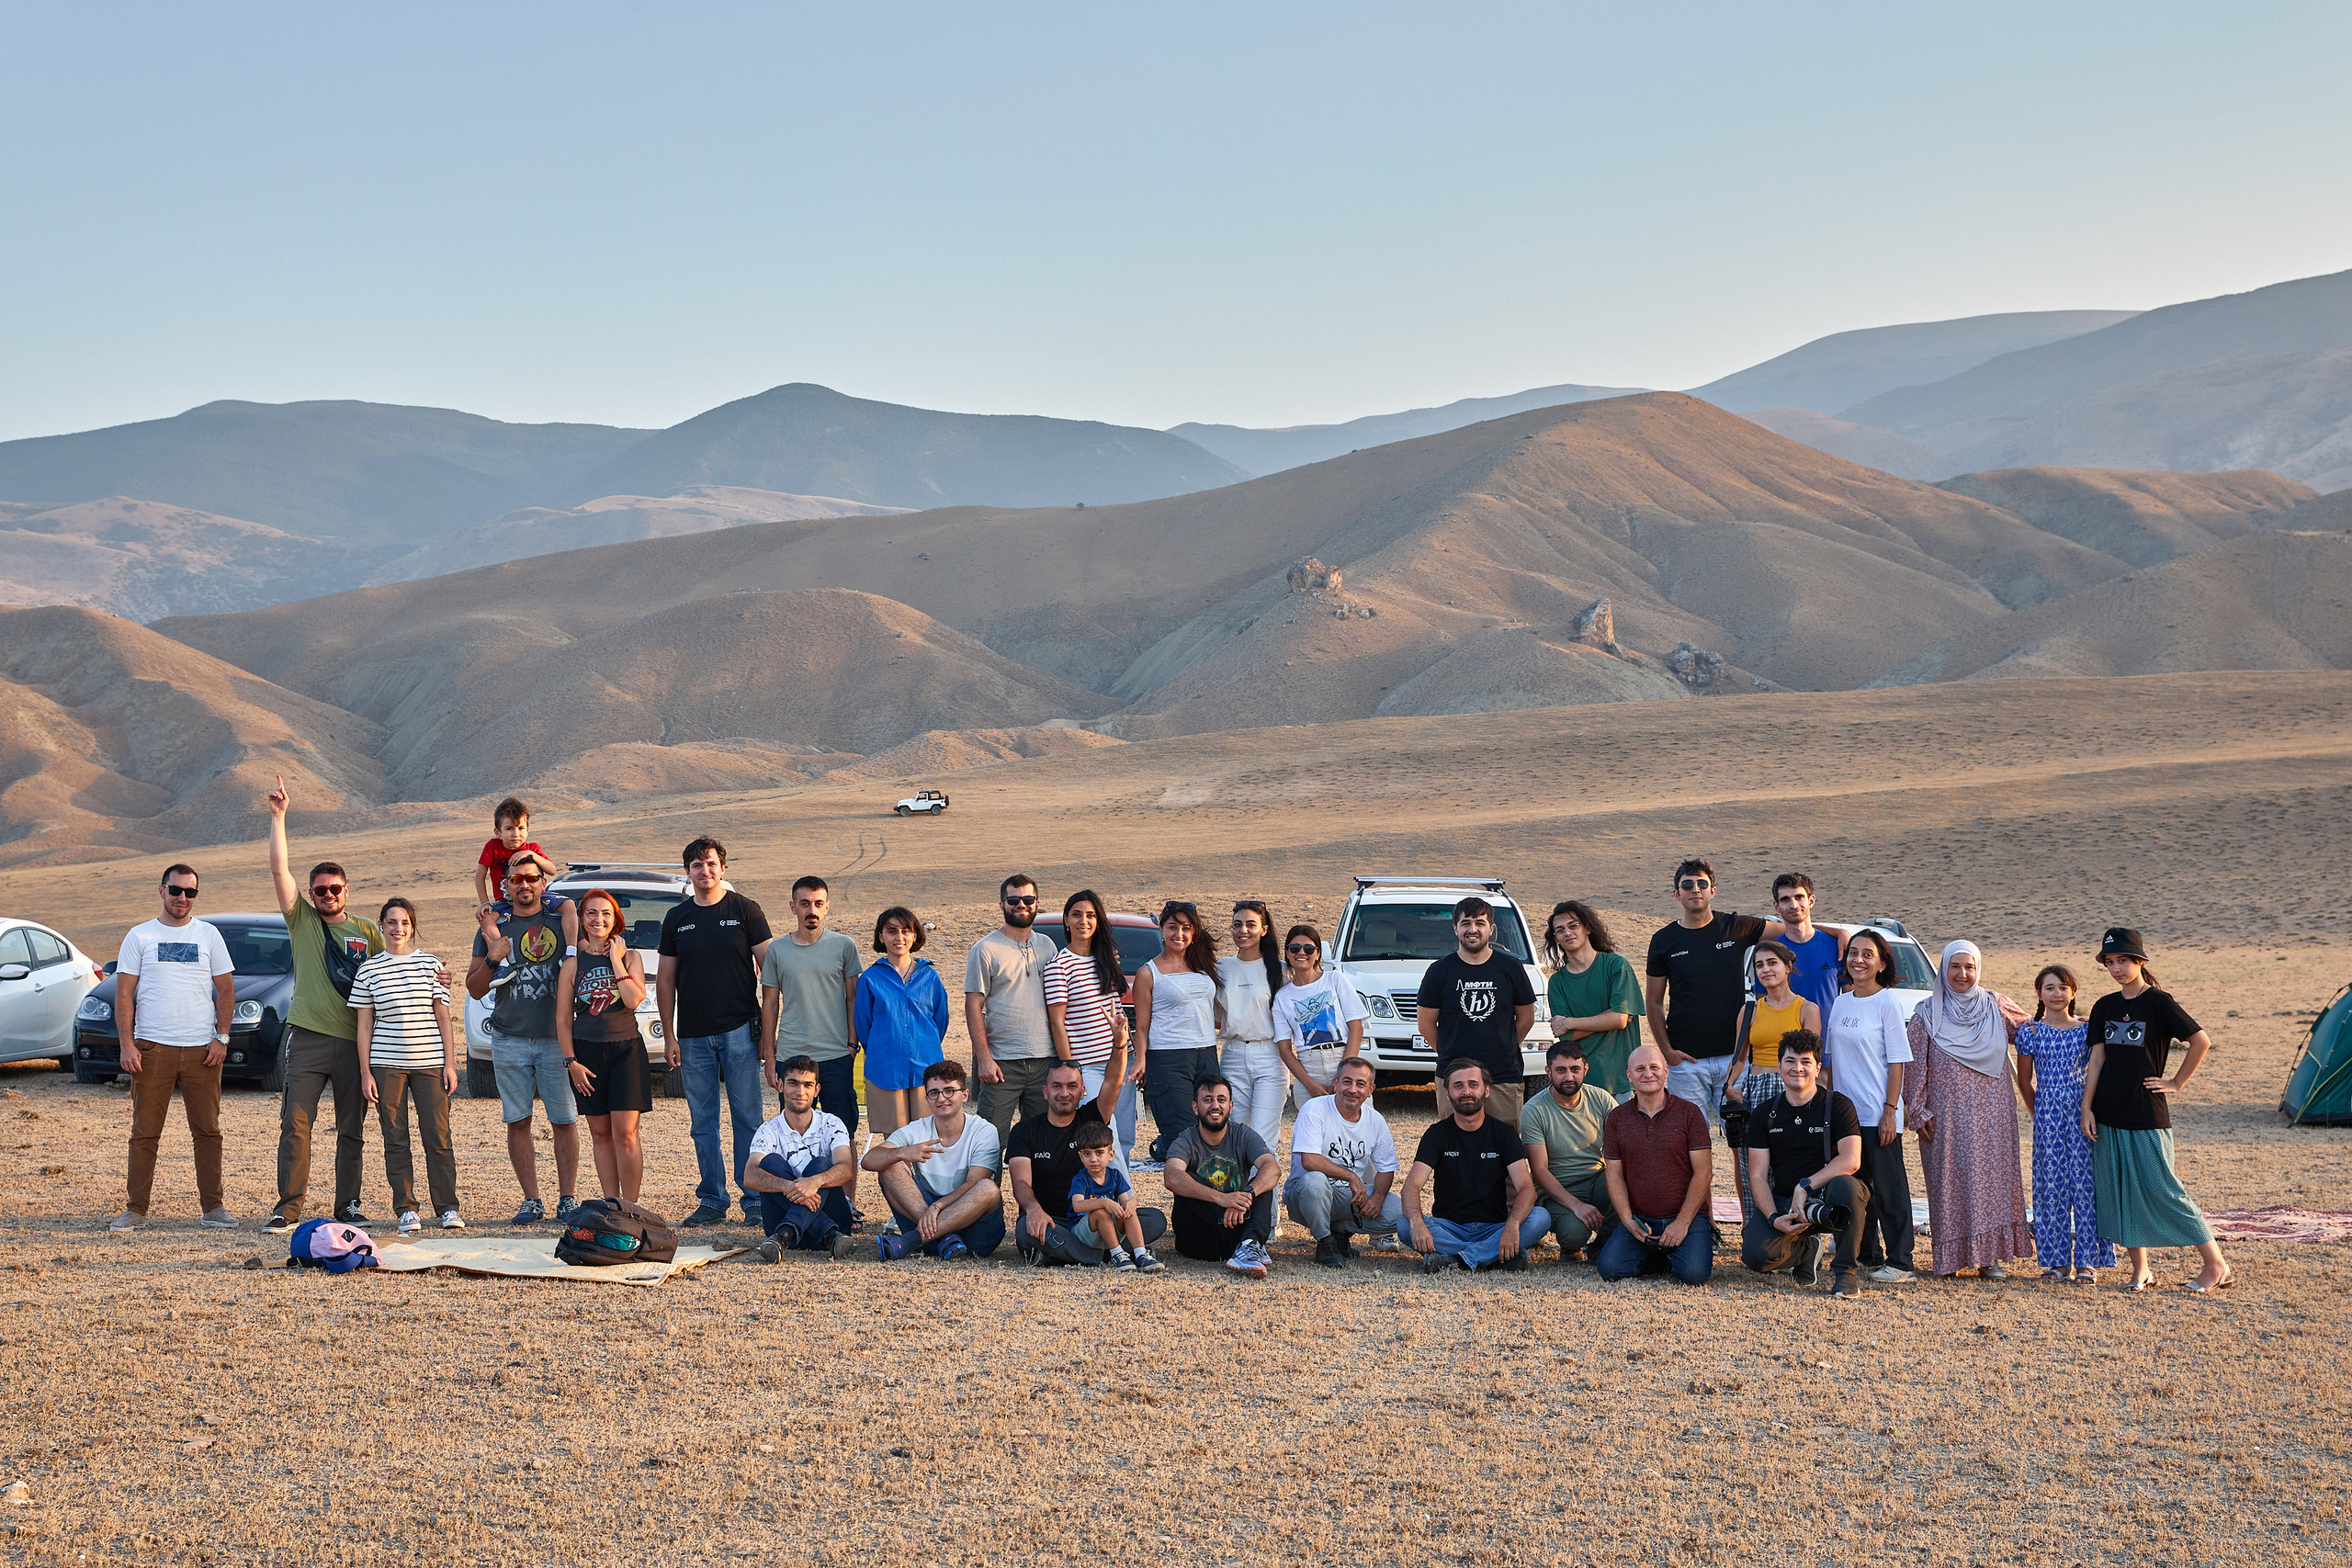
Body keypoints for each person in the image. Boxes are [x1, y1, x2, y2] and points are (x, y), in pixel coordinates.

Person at [262, 775, 387, 1235]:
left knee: (351, 1126)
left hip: (356, 1042)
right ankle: (287, 1208)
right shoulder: (302, 921)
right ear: (311, 894)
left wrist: (435, 978)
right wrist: (278, 818)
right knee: (296, 1124)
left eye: (335, 888)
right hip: (309, 1037)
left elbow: (391, 975)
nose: (328, 895)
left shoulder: (367, 931)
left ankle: (348, 1204)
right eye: (320, 890)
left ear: (347, 890)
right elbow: (279, 871)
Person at [2079, 929, 2232, 1293]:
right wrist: (2086, 1107)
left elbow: (2201, 1041)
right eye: (2110, 962)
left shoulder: (2159, 1003)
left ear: (2140, 962)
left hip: (2147, 1112)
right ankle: (2141, 1270)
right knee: (2121, 1191)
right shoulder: (2104, 1006)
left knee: (2164, 1189)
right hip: (2107, 1112)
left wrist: (2175, 1083)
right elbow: (2097, 1059)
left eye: (2123, 961)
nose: (2116, 969)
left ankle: (2216, 1265)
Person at [108, 863, 237, 1232]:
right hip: (153, 1048)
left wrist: (222, 1037)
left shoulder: (209, 935)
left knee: (208, 1132)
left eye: (190, 892)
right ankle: (136, 1209)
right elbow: (124, 993)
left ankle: (213, 1208)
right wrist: (127, 1044)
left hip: (203, 1050)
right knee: (145, 1132)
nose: (183, 898)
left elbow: (225, 990)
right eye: (176, 890)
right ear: (161, 890)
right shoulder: (140, 936)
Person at [657, 836, 774, 1228]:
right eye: (696, 865)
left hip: (740, 1029)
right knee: (702, 1120)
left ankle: (754, 1198)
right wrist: (670, 1036)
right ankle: (712, 1199)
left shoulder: (745, 910)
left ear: (723, 868)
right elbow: (666, 980)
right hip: (691, 1035)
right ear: (687, 872)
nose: (704, 871)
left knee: (748, 1117)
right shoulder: (676, 918)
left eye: (710, 864)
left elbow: (771, 971)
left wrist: (767, 1031)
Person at [1905, 940, 2033, 1280]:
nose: (1963, 974)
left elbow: (2034, 1034)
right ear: (1944, 969)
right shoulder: (1926, 1013)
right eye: (1955, 967)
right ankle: (1950, 1259)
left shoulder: (1996, 1005)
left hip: (1994, 1114)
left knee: (1993, 1182)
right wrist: (1917, 1111)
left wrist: (2076, 1027)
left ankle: (1989, 1258)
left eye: (1970, 967)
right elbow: (1914, 1066)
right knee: (1950, 1182)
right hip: (1946, 1114)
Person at [468, 849, 579, 1225]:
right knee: (518, 1120)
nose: (526, 884)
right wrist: (493, 958)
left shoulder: (560, 920)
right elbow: (475, 989)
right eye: (517, 880)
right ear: (507, 886)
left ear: (543, 883)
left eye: (532, 878)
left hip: (554, 1038)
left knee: (564, 1120)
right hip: (509, 1036)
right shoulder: (494, 926)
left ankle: (567, 1199)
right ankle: (531, 1200)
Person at [354, 897, 462, 1233]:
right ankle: (406, 1209)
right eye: (391, 922)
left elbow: (443, 1017)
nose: (398, 929)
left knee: (438, 1135)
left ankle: (447, 1208)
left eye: (404, 922)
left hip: (430, 1062)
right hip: (386, 1064)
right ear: (381, 926)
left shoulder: (431, 965)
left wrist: (450, 1063)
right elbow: (364, 1025)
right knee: (395, 1137)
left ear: (412, 927)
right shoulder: (368, 970)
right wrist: (365, 1072)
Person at [758, 875, 863, 1216]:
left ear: (827, 906)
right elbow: (770, 1004)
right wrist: (770, 1054)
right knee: (795, 1132)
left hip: (835, 1054)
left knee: (841, 1133)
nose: (811, 910)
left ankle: (846, 1205)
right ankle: (798, 1201)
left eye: (818, 903)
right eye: (804, 903)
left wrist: (851, 1041)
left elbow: (853, 997)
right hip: (792, 1054)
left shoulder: (844, 946)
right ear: (793, 907)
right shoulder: (778, 950)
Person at [1741, 1031, 1871, 1298]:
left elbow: (1851, 1159)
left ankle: (1846, 1272)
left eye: (1805, 1061)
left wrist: (1806, 1185)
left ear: (1818, 1067)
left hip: (1828, 1199)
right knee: (1756, 1256)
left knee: (1848, 1186)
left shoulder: (1839, 1105)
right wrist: (1774, 1218)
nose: (1797, 1068)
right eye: (1790, 1061)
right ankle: (1806, 1250)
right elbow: (1757, 1176)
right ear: (1779, 1066)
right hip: (1785, 1202)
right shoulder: (1764, 1113)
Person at [1009, 1051, 1167, 1266]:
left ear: (1083, 1091)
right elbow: (1020, 1182)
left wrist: (1120, 1042)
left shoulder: (1092, 1117)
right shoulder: (1024, 1131)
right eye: (1057, 1086)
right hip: (1055, 1221)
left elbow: (1113, 1082)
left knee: (1155, 1220)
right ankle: (1113, 1253)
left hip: (1100, 1219)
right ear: (1045, 1092)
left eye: (1072, 1086)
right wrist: (1034, 1210)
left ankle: (1066, 1255)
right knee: (1025, 1229)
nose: (1064, 1093)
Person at [1821, 930, 1917, 1284]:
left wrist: (1891, 1109)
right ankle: (1867, 1254)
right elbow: (1833, 1062)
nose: (1858, 960)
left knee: (1889, 1189)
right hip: (1845, 1115)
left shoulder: (1888, 1003)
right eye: (1853, 953)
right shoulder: (1842, 1002)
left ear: (1881, 963)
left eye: (1868, 954)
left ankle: (1902, 1261)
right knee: (1857, 1189)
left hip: (1878, 1113)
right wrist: (1830, 1107)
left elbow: (1897, 1062)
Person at [1643, 860, 1767, 1127]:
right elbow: (1653, 1002)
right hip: (1686, 1063)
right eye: (1687, 885)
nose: (1695, 889)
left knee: (1742, 1139)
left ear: (1713, 891)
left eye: (1702, 884)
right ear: (1677, 894)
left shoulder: (1736, 927)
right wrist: (1668, 1052)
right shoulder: (1664, 940)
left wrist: (1837, 933)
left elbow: (1795, 929)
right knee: (1691, 1142)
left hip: (1735, 1060)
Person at [1402, 1058, 1549, 1274]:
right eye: (1458, 1086)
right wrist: (1416, 1222)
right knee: (1404, 1225)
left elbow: (1527, 1189)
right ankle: (1493, 1257)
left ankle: (1456, 1260)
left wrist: (1512, 1224)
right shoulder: (1437, 1134)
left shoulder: (1504, 1133)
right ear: (1448, 1092)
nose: (1466, 1092)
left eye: (1473, 1084)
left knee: (1540, 1218)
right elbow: (1411, 1187)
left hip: (1494, 1228)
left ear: (1486, 1090)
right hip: (1448, 1228)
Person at [2015, 964, 2111, 1284]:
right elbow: (2025, 1081)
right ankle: (2056, 1261)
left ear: (2073, 991)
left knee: (2086, 1186)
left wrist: (2090, 1109)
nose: (2057, 994)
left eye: (2063, 987)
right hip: (2047, 1117)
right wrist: (2038, 1112)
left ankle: (2087, 1260)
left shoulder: (2087, 1030)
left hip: (2084, 1114)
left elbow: (2097, 1071)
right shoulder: (2029, 1033)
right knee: (2050, 1187)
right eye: (2050, 988)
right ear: (2039, 993)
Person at [555, 889, 650, 1205]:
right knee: (600, 1134)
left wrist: (614, 959)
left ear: (615, 919)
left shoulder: (632, 957)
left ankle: (630, 1207)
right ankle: (611, 1203)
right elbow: (563, 1020)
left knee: (625, 1133)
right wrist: (571, 1062)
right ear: (582, 919)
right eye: (592, 913)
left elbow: (634, 1000)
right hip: (587, 1054)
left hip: (626, 1050)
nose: (599, 919)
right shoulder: (572, 964)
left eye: (606, 913)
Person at [860, 1059, 1005, 1259]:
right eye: (934, 1093)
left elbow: (974, 1184)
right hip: (929, 1228)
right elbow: (868, 1161)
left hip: (974, 1233)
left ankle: (911, 1240)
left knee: (987, 1188)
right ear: (927, 1098)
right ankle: (942, 1238)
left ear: (965, 1095)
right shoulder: (918, 1128)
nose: (941, 1098)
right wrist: (902, 1153)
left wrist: (937, 1207)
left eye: (949, 1091)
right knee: (889, 1166)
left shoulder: (983, 1130)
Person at [1596, 1044, 1714, 1285]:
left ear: (1666, 1071)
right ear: (1629, 1075)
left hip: (1686, 1218)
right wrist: (1628, 1220)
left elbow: (1704, 1172)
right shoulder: (1617, 1118)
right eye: (1639, 1069)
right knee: (1610, 1269)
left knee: (1693, 1275)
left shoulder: (1689, 1113)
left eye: (1654, 1067)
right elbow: (1615, 1176)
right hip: (1641, 1219)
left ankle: (1677, 1250)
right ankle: (1660, 1255)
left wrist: (1682, 1223)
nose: (1647, 1074)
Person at [1415, 897, 1536, 1128]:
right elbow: (1426, 1024)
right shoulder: (1439, 971)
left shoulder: (1511, 968)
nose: (1473, 929)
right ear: (1455, 928)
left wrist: (1505, 1045)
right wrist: (1450, 1051)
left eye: (1480, 923)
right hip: (1454, 1077)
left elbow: (1526, 1017)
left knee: (1504, 1147)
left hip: (1503, 1076)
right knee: (1455, 1146)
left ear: (1491, 929)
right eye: (1466, 923)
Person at [965, 874, 1062, 1145]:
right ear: (1002, 905)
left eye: (1028, 899)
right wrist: (984, 1059)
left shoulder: (1048, 946)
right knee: (989, 1145)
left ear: (1037, 903)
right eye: (1013, 900)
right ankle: (987, 1191)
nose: (1021, 904)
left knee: (1043, 1145)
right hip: (1001, 1066)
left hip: (1045, 1062)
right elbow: (973, 1006)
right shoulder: (985, 949)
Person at [1284, 1056, 1402, 1267]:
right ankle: (1325, 1241)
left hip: (1346, 1197)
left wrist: (1378, 1197)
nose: (1352, 1089)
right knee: (1315, 1181)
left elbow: (1386, 1169)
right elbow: (1309, 1161)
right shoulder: (1314, 1108)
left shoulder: (1375, 1119)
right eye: (1347, 1082)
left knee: (1400, 1213)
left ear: (1371, 1089)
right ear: (1336, 1082)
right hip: (1304, 1195)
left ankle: (1340, 1230)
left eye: (1360, 1084)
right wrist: (1351, 1176)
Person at [746, 1055, 860, 1262]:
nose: (800, 1092)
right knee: (770, 1162)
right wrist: (790, 1187)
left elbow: (846, 1168)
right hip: (801, 1226)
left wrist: (814, 1182)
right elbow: (750, 1175)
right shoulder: (768, 1130)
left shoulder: (831, 1123)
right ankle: (828, 1235)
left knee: (822, 1165)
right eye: (793, 1083)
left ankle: (784, 1235)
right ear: (780, 1086)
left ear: (817, 1090)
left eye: (808, 1085)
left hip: (832, 1218)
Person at [1163, 1074, 1280, 1276]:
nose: (1215, 1105)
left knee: (1261, 1184)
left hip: (1236, 1228)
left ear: (1231, 1106)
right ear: (1195, 1107)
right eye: (1207, 1100)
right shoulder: (1186, 1140)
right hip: (1199, 1237)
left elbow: (1272, 1168)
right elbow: (1171, 1176)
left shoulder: (1243, 1134)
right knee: (1187, 1176)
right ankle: (1246, 1248)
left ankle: (1249, 1246)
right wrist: (1223, 1199)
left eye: (1221, 1100)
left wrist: (1246, 1196)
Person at [1135, 901, 1220, 1168]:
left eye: (1185, 928)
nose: (1178, 934)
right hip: (1168, 1060)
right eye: (1172, 927)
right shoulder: (1149, 973)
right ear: (1161, 930)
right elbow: (1141, 1026)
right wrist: (1140, 1060)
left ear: (1194, 932)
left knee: (1213, 1130)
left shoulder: (1204, 967)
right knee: (1183, 1138)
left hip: (1207, 1055)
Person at [854, 906, 951, 1140]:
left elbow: (940, 1019)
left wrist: (922, 1044)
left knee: (927, 1137)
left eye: (906, 931)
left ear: (915, 935)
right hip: (886, 1070)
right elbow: (863, 1024)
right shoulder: (870, 978)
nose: (899, 937)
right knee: (895, 1142)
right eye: (892, 931)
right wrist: (885, 1048)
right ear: (881, 936)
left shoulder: (930, 976)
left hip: (926, 1067)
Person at [1518, 1039, 1617, 1260]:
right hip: (1559, 1186)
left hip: (1596, 1178)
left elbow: (1622, 1150)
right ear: (1548, 1071)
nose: (1569, 1077)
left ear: (1585, 1070)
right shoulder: (1534, 1110)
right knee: (1574, 1235)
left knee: (1631, 1184)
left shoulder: (1602, 1099)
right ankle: (1573, 1241)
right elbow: (1540, 1170)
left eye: (1575, 1069)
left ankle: (1602, 1244)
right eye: (1561, 1070)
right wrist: (1578, 1206)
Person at [1542, 901, 1644, 1099]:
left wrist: (1570, 1022)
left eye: (1573, 926)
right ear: (1556, 939)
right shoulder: (1557, 982)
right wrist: (1609, 1015)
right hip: (1583, 1085)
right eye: (1560, 930)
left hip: (1622, 1081)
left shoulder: (1616, 966)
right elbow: (1566, 1036)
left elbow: (1620, 1020)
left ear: (1587, 928)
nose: (1568, 933)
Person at [1041, 889, 1128, 1111]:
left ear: (1098, 921)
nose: (1084, 921)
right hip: (1088, 1067)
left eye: (1090, 915)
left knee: (1125, 1138)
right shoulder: (1058, 966)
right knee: (1103, 1133)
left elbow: (1118, 1011)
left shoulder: (1106, 960)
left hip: (1121, 1059)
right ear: (1066, 920)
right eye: (1077, 915)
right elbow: (1057, 1023)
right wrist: (1071, 1070)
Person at [1270, 922, 1365, 1111]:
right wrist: (1309, 1084)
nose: (1301, 953)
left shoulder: (1335, 979)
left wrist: (1344, 1075)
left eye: (1309, 948)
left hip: (1343, 1057)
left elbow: (1356, 1028)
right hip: (1309, 1065)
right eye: (1295, 948)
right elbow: (1285, 1050)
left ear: (1318, 954)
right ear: (1287, 954)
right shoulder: (1282, 997)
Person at [471, 795, 577, 963]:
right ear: (498, 832)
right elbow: (479, 876)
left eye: (521, 828)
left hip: (536, 898)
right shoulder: (492, 847)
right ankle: (504, 962)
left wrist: (532, 855)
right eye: (509, 829)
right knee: (486, 918)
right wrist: (485, 903)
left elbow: (551, 869)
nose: (516, 834)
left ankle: (571, 952)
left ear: (527, 830)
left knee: (569, 905)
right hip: (504, 900)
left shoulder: (532, 848)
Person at [1219, 901, 1288, 1152]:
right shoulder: (1221, 968)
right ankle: (1237, 1192)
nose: (1243, 931)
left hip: (1270, 1056)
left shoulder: (1280, 970)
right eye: (1237, 925)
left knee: (1263, 1139)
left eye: (1250, 924)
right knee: (1234, 1134)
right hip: (1233, 1055)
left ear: (1264, 929)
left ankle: (1267, 1191)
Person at [1724, 942, 1821, 1112]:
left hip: (1793, 1087)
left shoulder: (1807, 1009)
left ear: (1788, 967)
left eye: (1772, 962)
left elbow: (1810, 1060)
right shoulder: (1749, 1011)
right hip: (1756, 1088)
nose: (1766, 969)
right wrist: (1729, 1087)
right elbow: (1738, 1058)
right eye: (1759, 965)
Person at [1065, 1123, 1162, 1272]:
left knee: (1128, 1211)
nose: (1093, 1159)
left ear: (1111, 1155)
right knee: (1101, 1211)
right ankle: (1117, 1253)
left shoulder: (1115, 1176)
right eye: (1087, 1154)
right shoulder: (1080, 1179)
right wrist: (1104, 1202)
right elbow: (1077, 1206)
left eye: (1099, 1153)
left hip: (1110, 1229)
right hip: (1085, 1232)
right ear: (1081, 1156)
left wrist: (1132, 1203)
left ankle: (1141, 1253)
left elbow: (1126, 1201)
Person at [1768, 874, 1850, 1021]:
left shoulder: (1836, 946)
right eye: (1785, 899)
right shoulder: (1771, 953)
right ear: (1776, 906)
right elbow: (1765, 1007)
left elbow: (1852, 999)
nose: (1793, 905)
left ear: (1811, 901)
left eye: (1799, 897)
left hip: (1829, 1041)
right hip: (1785, 1041)